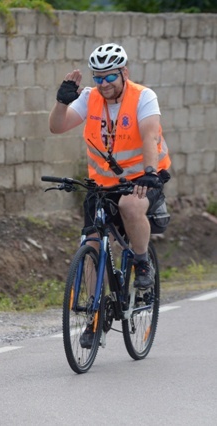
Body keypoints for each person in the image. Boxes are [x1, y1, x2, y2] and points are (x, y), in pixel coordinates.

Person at [48, 43, 171, 348]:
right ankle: (94, 314)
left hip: (141, 179)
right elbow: (56, 127)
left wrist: (149, 172)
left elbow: (150, 135)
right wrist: (61, 102)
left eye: (109, 77)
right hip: (101, 185)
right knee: (91, 244)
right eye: (98, 78)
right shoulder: (89, 98)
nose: (104, 84)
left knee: (131, 206)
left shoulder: (143, 96)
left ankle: (142, 264)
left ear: (123, 73)